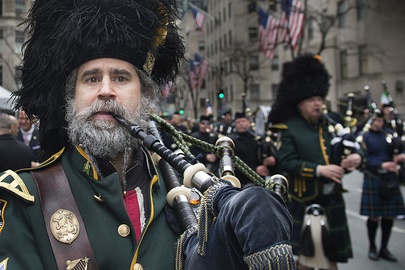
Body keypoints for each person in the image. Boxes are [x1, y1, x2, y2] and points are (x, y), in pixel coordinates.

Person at [0, 1, 294, 269]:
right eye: (91, 78)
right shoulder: (26, 199)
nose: (105, 90)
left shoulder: (188, 196)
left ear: (145, 96)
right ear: (71, 98)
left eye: (120, 77)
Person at [269, 54, 363, 270]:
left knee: (332, 259)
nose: (318, 103)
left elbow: (355, 148)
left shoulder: (332, 125)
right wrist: (319, 170)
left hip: (332, 199)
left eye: (320, 99)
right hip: (305, 200)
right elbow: (286, 162)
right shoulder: (290, 127)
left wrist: (356, 158)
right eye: (312, 100)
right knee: (307, 260)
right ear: (300, 103)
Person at [360, 110, 405, 262]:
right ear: (370, 121)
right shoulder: (364, 136)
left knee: (388, 215)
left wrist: (403, 154)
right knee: (374, 216)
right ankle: (372, 247)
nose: (378, 124)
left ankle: (384, 248)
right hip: (374, 177)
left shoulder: (388, 134)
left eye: (380, 121)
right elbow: (362, 159)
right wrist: (381, 164)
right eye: (375, 121)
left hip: (390, 178)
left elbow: (401, 144)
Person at [228, 112, 274, 187]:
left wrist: (272, 158)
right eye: (238, 122)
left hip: (259, 180)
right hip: (240, 182)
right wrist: (255, 170)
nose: (240, 124)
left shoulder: (258, 139)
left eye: (243, 121)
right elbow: (233, 163)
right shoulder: (232, 141)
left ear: (249, 122)